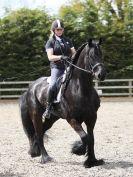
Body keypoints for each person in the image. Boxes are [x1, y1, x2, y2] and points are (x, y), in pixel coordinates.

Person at [42, 19, 76, 120]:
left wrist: (74, 57)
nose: (60, 31)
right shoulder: (50, 42)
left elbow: (74, 52)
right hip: (57, 67)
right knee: (52, 86)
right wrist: (61, 57)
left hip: (68, 66)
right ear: (54, 30)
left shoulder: (67, 40)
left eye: (61, 29)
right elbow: (50, 57)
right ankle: (48, 108)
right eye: (57, 30)